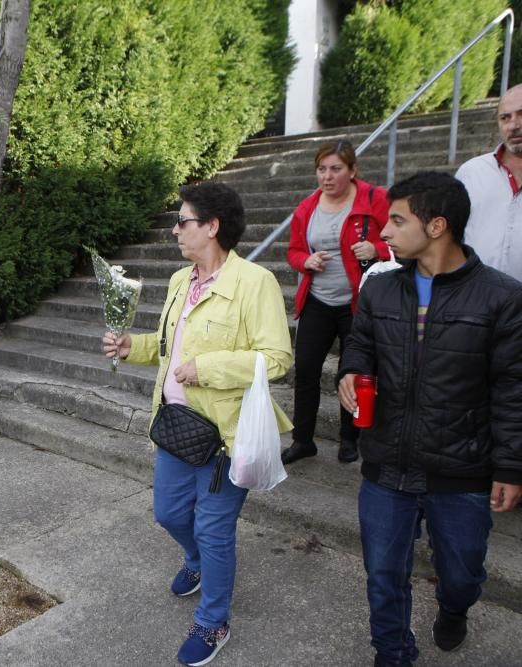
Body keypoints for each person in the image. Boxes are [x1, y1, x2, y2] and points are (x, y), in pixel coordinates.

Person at [102, 182, 293, 666]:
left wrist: (208, 368)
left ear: (212, 226)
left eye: (183, 221)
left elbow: (276, 359)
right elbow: (170, 350)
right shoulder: (178, 281)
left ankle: (213, 622)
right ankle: (197, 564)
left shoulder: (255, 283)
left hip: (224, 439)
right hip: (174, 430)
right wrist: (133, 348)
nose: (175, 229)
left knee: (214, 530)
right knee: (168, 514)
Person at [337, 172, 522, 667]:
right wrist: (353, 372)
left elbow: (512, 387)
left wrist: (509, 467)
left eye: (398, 221)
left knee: (462, 573)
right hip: (386, 463)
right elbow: (359, 345)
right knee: (382, 575)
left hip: (460, 468)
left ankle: (455, 608)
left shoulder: (502, 297)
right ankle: (392, 652)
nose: (386, 233)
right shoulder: (380, 289)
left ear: (437, 225)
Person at [282, 140, 389, 465]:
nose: (327, 176)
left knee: (352, 371)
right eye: (321, 169)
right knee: (306, 370)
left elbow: (401, 239)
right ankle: (302, 440)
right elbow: (293, 251)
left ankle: (349, 439)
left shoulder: (375, 199)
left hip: (358, 303)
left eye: (335, 169)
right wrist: (306, 261)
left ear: (352, 170)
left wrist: (376, 250)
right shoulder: (307, 207)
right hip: (318, 301)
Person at [455, 83, 522, 282]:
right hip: (478, 300)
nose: (514, 125)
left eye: (521, 114)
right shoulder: (471, 173)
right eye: (505, 118)